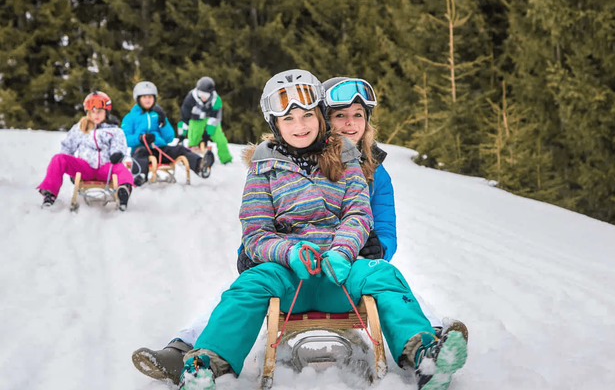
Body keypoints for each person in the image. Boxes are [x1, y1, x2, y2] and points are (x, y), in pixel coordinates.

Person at [130, 76, 466, 385]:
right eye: (288, 118)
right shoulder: (264, 169)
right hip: (290, 277)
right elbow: (256, 230)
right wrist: (288, 252)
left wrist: (344, 250)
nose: (299, 125)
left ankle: (426, 355)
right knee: (249, 285)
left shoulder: (347, 159)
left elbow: (359, 214)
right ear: (275, 123)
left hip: (343, 273)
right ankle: (205, 362)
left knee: (384, 275)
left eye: (306, 115)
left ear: (318, 116)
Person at [37, 91, 133, 211]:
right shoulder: (80, 128)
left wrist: (117, 154)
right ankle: (49, 194)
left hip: (106, 169)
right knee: (58, 159)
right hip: (85, 168)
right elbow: (67, 147)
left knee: (121, 168)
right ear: (88, 113)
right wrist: (71, 167)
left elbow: (119, 146)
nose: (96, 115)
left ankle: (124, 191)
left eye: (99, 111)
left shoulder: (114, 131)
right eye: (92, 112)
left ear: (106, 113)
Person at [121, 81, 215, 186]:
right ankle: (139, 176)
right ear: (138, 99)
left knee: (180, 149)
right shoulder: (130, 117)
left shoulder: (158, 115)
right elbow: (124, 139)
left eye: (150, 97)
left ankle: (200, 166)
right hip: (141, 149)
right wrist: (140, 138)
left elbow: (169, 137)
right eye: (144, 97)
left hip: (160, 150)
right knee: (140, 153)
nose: (147, 100)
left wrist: (163, 123)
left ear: (154, 98)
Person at [176, 76, 233, 164]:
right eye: (201, 93)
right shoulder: (190, 98)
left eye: (206, 95)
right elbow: (184, 118)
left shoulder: (216, 100)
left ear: (211, 93)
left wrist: (207, 135)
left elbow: (215, 118)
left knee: (221, 140)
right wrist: (182, 135)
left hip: (211, 121)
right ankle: (191, 157)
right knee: (193, 139)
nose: (203, 97)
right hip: (196, 120)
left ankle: (226, 159)